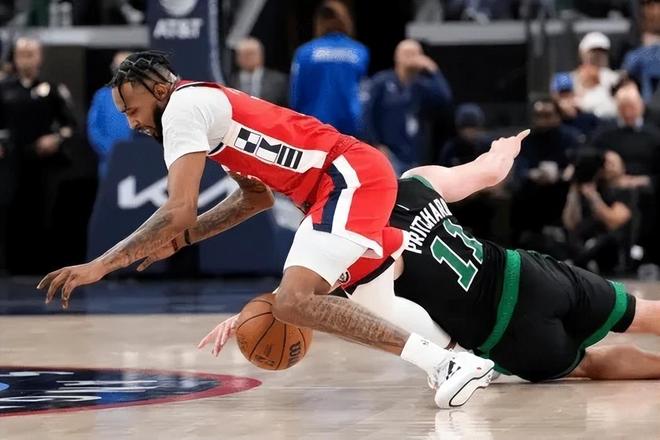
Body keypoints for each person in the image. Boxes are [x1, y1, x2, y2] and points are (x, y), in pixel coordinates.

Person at [37, 51, 495, 409]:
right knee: (375, 302)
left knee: (292, 302)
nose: (132, 122)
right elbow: (253, 199)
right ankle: (464, 358)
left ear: (159, 90)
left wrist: (102, 265)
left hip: (344, 178)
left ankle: (446, 364)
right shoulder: (205, 108)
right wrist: (186, 238)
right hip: (345, 180)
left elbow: (178, 208)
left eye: (132, 109)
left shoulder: (181, 109)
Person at [207, 129, 660, 386]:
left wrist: (265, 307)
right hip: (526, 275)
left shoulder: (353, 245)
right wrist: (503, 150)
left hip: (502, 334)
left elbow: (313, 291)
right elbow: (488, 172)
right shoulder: (417, 181)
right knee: (640, 313)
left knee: (590, 364)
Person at [0, 37, 80, 274]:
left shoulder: (52, 89)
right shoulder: (4, 88)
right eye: (21, 54)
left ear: (40, 57)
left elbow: (71, 125)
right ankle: (10, 266)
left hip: (43, 163)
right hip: (11, 162)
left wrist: (56, 138)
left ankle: (42, 266)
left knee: (44, 211)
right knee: (10, 210)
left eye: (31, 54)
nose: (26, 60)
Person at [362, 39, 452, 174]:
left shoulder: (421, 85)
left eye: (415, 53)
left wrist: (433, 70)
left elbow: (444, 99)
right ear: (396, 56)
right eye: (407, 53)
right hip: (389, 151)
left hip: (415, 153)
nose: (411, 58)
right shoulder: (381, 82)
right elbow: (367, 115)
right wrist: (376, 144)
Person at [289, 1, 369, 136]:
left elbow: (296, 94)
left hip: (315, 126)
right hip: (350, 128)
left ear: (319, 22)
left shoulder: (304, 52)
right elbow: (364, 92)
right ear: (346, 20)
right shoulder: (359, 51)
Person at [563, 149, 638, 274]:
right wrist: (574, 189)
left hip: (612, 248)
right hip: (587, 242)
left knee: (606, 239)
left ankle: (576, 262)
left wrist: (594, 198)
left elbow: (614, 223)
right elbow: (570, 223)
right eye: (604, 163)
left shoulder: (626, 191)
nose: (607, 167)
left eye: (612, 164)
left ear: (622, 167)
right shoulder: (593, 186)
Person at [87, 51, 133, 178]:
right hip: (109, 161)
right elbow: (94, 129)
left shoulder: (144, 96)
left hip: (137, 159)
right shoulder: (102, 96)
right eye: (118, 68)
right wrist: (112, 151)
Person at [567, 32, 619, 119]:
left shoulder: (615, 78)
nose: (598, 55)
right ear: (582, 53)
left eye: (602, 51)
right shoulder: (570, 79)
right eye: (593, 51)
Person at [228, 37, 288, 107]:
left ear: (261, 55)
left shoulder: (278, 80)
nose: (248, 58)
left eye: (251, 53)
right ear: (237, 57)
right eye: (244, 54)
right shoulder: (230, 81)